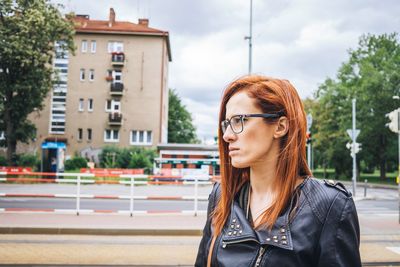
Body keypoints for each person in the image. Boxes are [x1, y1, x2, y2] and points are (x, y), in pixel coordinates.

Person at [195, 75, 361, 267]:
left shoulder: (329, 206)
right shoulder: (222, 195)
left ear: (280, 126)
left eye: (239, 120)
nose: (227, 135)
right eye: (226, 123)